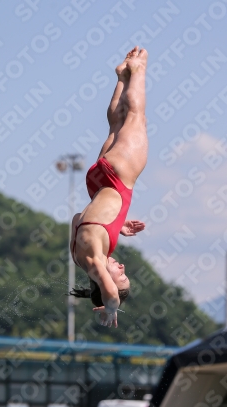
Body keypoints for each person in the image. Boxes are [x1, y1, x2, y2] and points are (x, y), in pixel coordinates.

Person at [69, 47, 148, 328]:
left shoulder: (95, 263)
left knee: (135, 116)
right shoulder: (81, 258)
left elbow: (112, 296)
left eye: (121, 276)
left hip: (119, 177)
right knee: (116, 124)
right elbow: (79, 218)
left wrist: (112, 309)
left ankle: (137, 69)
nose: (122, 268)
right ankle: (122, 77)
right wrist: (116, 225)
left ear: (104, 286)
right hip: (98, 181)